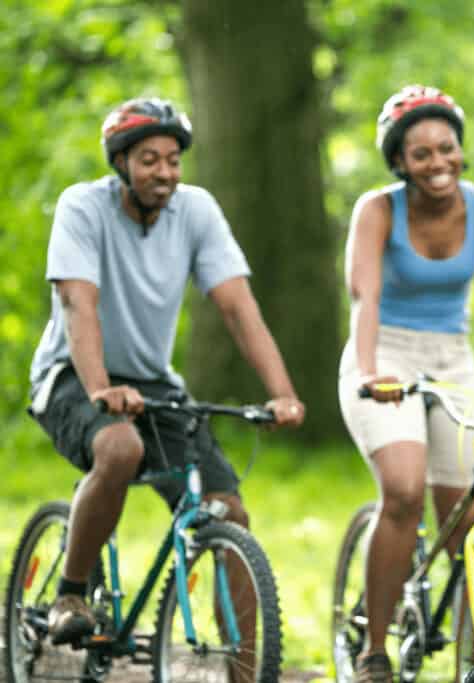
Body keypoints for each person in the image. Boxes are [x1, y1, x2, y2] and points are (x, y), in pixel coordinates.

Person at [28, 97, 306, 645]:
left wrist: (282, 394)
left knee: (228, 512)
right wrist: (100, 389)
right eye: (150, 159)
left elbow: (238, 308)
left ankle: (249, 668)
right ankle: (71, 593)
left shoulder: (196, 211)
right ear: (122, 163)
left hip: (152, 381)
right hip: (73, 372)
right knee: (119, 449)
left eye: (173, 159)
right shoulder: (83, 207)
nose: (164, 172)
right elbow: (78, 304)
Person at [338, 84, 474, 682]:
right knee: (404, 490)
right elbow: (365, 296)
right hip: (383, 352)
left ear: (461, 149)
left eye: (446, 148)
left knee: (469, 512)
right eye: (421, 154)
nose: (437, 163)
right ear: (399, 162)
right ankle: (374, 650)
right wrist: (372, 366)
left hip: (452, 358)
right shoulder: (378, 210)